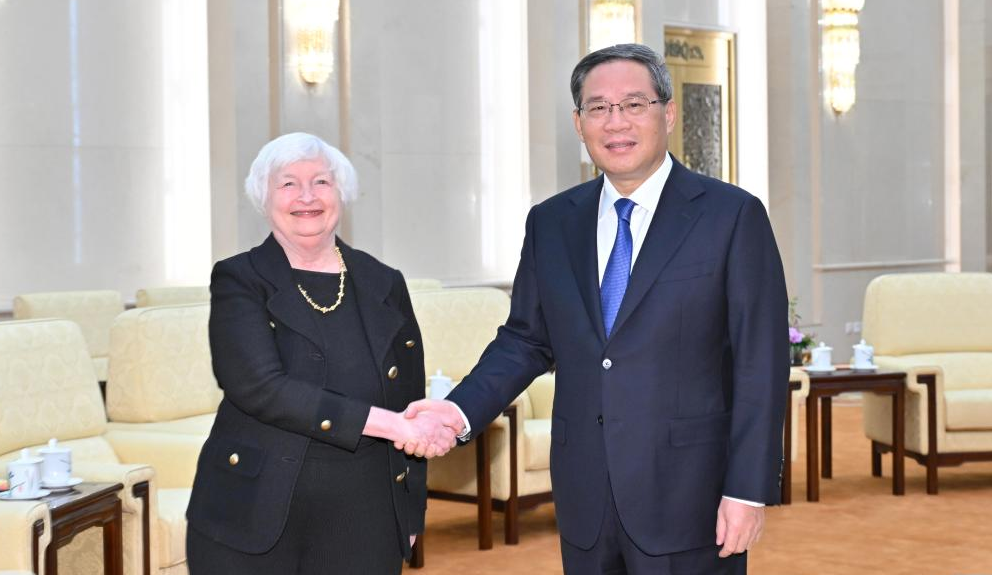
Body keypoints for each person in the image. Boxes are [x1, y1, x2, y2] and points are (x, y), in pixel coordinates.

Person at [406, 44, 788, 574]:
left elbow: (760, 365)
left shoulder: (731, 216)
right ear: (579, 123)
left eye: (634, 104)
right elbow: (525, 339)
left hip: (690, 495)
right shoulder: (552, 222)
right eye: (598, 108)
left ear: (668, 113)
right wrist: (458, 409)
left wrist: (748, 490)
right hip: (586, 491)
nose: (616, 123)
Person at [186, 132, 456, 574]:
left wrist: (410, 509)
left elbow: (407, 397)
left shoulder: (383, 281)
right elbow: (259, 387)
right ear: (263, 197)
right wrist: (388, 424)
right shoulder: (239, 278)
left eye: (322, 182)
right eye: (288, 183)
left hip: (366, 515)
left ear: (341, 193)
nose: (306, 196)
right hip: (255, 514)